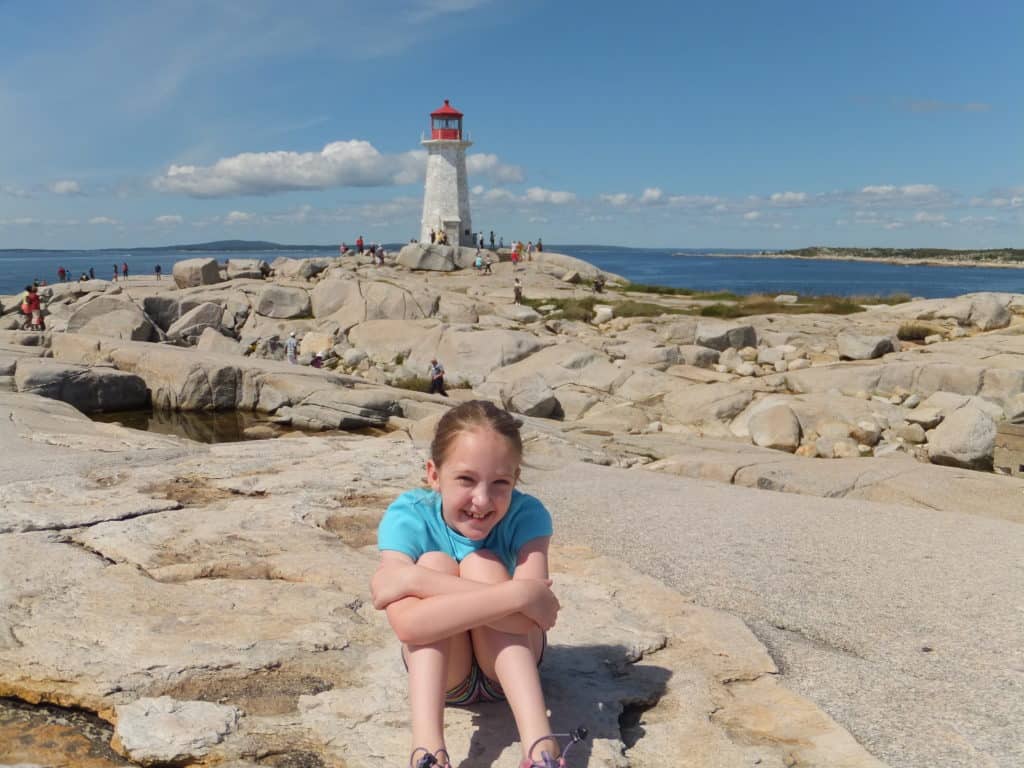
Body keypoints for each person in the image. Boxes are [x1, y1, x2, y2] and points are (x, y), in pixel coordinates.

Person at [373, 401, 567, 768]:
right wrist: (520, 593)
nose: (482, 499)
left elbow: (526, 624)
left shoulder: (528, 515)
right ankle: (429, 751)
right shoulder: (409, 515)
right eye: (465, 479)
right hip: (448, 677)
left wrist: (416, 580)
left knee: (482, 563)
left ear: (516, 478)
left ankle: (541, 748)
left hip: (505, 670)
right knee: (437, 562)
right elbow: (409, 625)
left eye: (500, 483)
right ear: (434, 474)